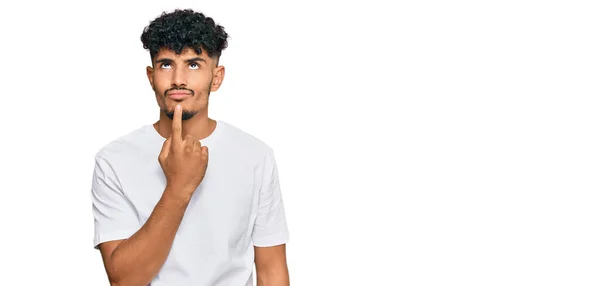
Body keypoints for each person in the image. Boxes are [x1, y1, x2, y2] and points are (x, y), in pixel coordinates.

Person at [90, 9, 290, 286]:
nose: (178, 80)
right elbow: (124, 279)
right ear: (151, 76)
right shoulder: (114, 159)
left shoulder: (256, 156)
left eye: (193, 64)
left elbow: (271, 271)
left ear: (216, 77)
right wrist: (179, 187)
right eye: (166, 65)